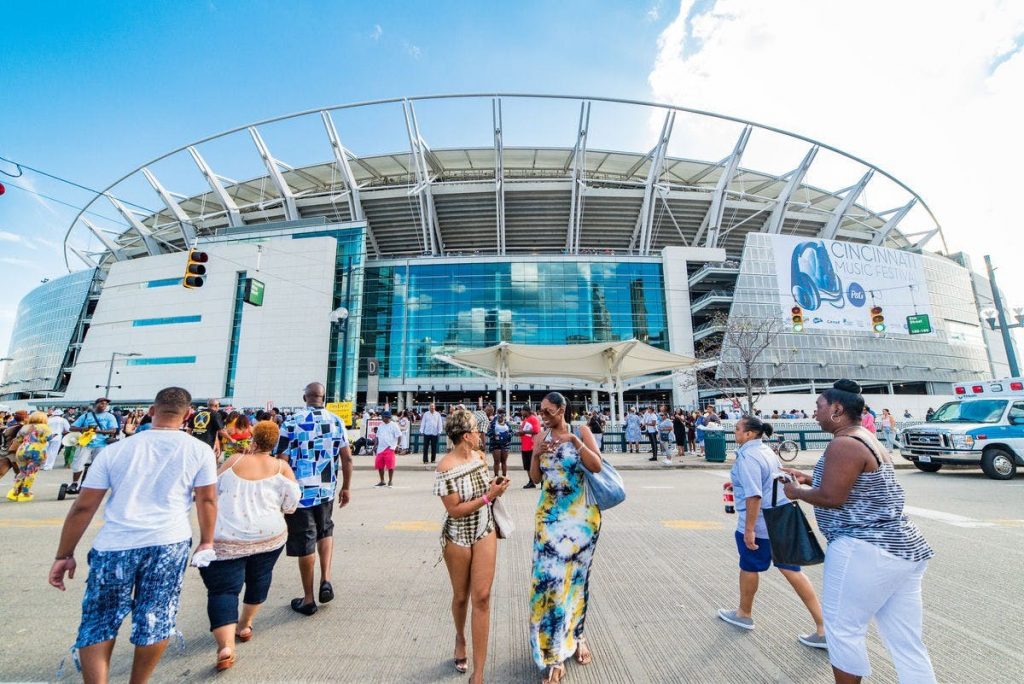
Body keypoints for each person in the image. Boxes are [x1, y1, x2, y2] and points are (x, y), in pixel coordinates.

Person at [49, 387, 218, 684]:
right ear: (188, 414)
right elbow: (207, 500)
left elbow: (83, 507)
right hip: (169, 542)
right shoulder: (199, 450)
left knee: (99, 621)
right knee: (156, 617)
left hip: (114, 545)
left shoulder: (117, 450)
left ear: (151, 412)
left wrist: (64, 555)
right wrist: (206, 540)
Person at [783, 380, 936, 684]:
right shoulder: (865, 438)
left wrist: (797, 491)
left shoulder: (843, 443)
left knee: (842, 630)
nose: (815, 413)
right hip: (903, 549)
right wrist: (811, 477)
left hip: (864, 547)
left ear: (837, 410)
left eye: (819, 407)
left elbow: (832, 497)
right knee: (906, 641)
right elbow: (854, 485)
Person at [717, 416, 827, 649]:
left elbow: (754, 494)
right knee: (791, 569)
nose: (734, 432)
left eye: (737, 429)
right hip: (780, 515)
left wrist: (749, 529)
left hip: (760, 520)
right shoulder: (767, 450)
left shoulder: (748, 456)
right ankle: (823, 626)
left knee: (749, 565)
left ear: (749, 434)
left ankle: (744, 613)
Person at [199, 421, 300, 671]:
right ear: (276, 442)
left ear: (253, 438)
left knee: (224, 591)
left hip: (229, 536)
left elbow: (212, 490)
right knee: (259, 578)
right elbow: (292, 504)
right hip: (269, 536)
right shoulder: (281, 467)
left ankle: (225, 646)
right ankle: (245, 625)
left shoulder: (233, 462)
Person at [529, 392, 603, 683]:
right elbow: (535, 479)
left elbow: (596, 465)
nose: (543, 415)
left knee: (576, 582)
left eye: (548, 411)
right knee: (549, 584)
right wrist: (536, 452)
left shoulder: (580, 431)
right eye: (541, 411)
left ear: (562, 409)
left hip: (581, 521)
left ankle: (578, 636)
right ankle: (554, 652)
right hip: (548, 520)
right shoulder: (540, 436)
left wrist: (574, 442)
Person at [434, 408, 511, 683]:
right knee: (461, 597)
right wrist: (490, 497)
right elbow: (454, 510)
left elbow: (483, 490)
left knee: (482, 597)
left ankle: (478, 674)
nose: (481, 434)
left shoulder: (480, 457)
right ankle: (459, 637)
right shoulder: (445, 467)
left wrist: (494, 487)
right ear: (466, 436)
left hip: (484, 528)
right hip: (457, 535)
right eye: (477, 430)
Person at [276, 382, 352, 616]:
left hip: (300, 494)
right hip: (326, 489)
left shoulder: (291, 422)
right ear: (324, 398)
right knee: (325, 531)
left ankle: (308, 599)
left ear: (304, 397)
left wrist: (279, 494)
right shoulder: (336, 421)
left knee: (305, 540)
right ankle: (326, 579)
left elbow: (281, 459)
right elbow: (347, 459)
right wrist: (346, 487)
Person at [67, 398, 120, 495]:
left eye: (105, 404)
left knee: (97, 466)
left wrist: (97, 431)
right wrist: (85, 429)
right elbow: (72, 427)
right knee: (78, 463)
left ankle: (91, 485)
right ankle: (75, 483)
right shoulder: (86, 416)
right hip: (85, 442)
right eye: (101, 403)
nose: (103, 405)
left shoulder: (109, 416)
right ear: (96, 404)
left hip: (101, 443)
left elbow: (113, 430)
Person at [7, 411, 51, 501]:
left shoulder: (25, 427)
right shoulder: (45, 427)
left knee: (22, 472)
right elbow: (47, 438)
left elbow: (18, 439)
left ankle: (15, 491)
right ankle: (25, 492)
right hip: (37, 451)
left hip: (22, 450)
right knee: (31, 472)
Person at [374, 410, 402, 488]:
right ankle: (382, 481)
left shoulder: (394, 425)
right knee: (379, 465)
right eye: (382, 417)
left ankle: (390, 480)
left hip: (390, 447)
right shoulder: (380, 425)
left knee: (390, 465)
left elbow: (399, 436)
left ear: (388, 417)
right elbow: (377, 436)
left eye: (384, 417)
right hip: (380, 448)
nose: (382, 418)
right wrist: (375, 445)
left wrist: (397, 445)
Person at [518, 405, 541, 489]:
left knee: (535, 465)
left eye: (522, 411)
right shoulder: (525, 419)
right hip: (525, 446)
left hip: (532, 446)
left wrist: (523, 432)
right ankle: (531, 482)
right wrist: (519, 432)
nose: (521, 412)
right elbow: (523, 430)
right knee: (527, 466)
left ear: (526, 411)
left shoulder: (533, 419)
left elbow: (536, 431)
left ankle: (541, 481)